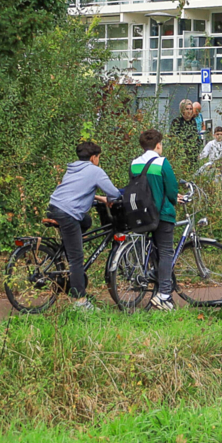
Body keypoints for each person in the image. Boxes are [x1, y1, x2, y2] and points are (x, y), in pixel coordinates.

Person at [47, 142, 122, 310]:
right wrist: (110, 198)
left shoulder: (72, 168)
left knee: (86, 221)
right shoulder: (95, 171)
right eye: (98, 158)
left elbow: (76, 190)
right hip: (68, 213)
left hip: (54, 207)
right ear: (93, 158)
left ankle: (68, 249)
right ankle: (80, 302)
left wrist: (98, 198)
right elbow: (115, 193)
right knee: (76, 259)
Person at [131, 129, 180, 310]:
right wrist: (174, 200)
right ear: (158, 145)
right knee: (167, 252)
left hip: (141, 215)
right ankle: (164, 294)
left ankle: (153, 277)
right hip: (161, 214)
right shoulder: (161, 163)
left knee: (152, 249)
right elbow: (172, 190)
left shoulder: (134, 163)